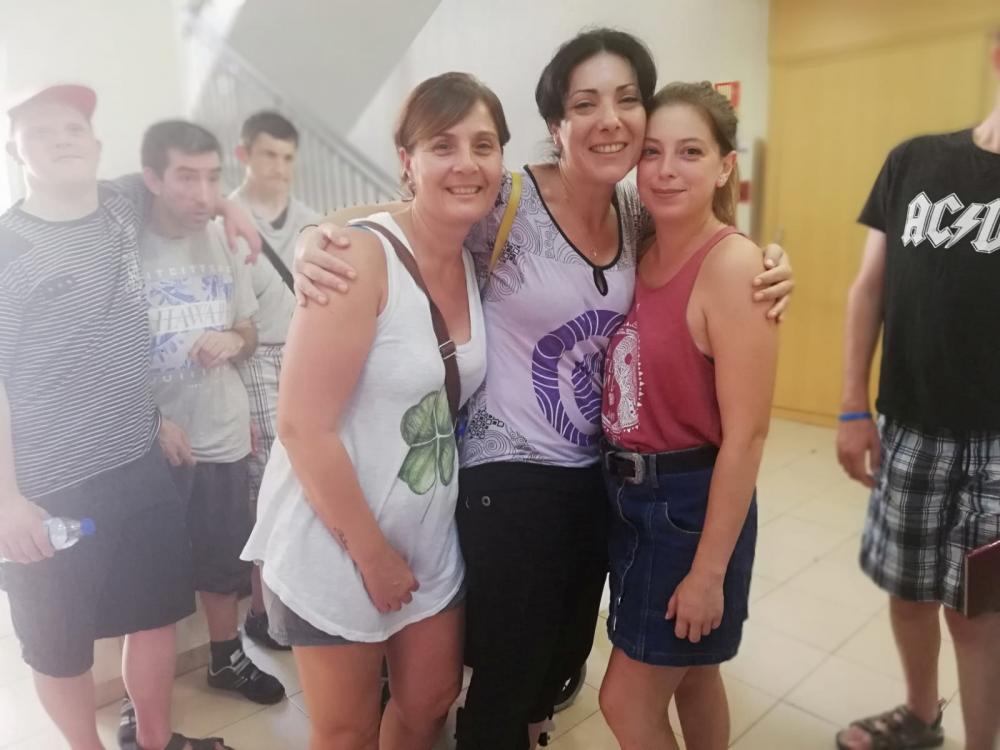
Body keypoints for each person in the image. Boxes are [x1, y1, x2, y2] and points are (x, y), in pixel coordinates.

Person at [293, 28, 794, 750]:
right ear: (557, 123)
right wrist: (315, 237)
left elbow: (710, 248)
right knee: (506, 678)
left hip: (595, 478)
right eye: (584, 103)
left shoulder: (637, 214)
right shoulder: (506, 197)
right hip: (509, 479)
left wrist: (769, 260)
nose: (608, 119)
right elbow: (400, 219)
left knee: (557, 670)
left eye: (626, 100)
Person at [241, 71, 493, 750]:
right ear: (408, 162)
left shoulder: (474, 251)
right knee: (346, 731)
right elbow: (301, 425)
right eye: (443, 145)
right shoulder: (356, 256)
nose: (466, 163)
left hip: (427, 533)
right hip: (336, 536)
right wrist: (372, 554)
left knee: (430, 700)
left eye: (483, 145)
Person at [0, 85, 234, 750]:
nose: (63, 139)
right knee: (59, 645)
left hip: (138, 462)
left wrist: (235, 208)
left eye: (74, 128)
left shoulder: (121, 203)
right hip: (47, 487)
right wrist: (6, 500)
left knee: (155, 615)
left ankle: (154, 743)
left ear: (98, 145)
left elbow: (187, 183)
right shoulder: (5, 248)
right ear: (14, 151)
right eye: (42, 131)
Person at [598, 81, 777, 750]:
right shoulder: (640, 244)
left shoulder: (732, 266)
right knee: (695, 676)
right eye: (652, 152)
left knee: (623, 702)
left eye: (691, 152)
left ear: (726, 166)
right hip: (627, 494)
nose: (667, 169)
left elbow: (747, 437)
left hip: (686, 508)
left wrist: (707, 573)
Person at [834, 29, 1000, 750]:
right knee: (908, 593)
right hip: (911, 430)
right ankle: (921, 717)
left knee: (979, 613)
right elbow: (868, 290)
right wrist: (852, 406)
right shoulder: (916, 161)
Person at [139, 119, 285, 706]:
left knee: (224, 560)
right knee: (150, 577)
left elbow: (248, 328)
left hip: (223, 431)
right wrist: (150, 421)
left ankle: (226, 659)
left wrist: (232, 340)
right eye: (185, 177)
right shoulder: (124, 247)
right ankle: (138, 692)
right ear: (151, 179)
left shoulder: (225, 238)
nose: (203, 194)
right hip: (153, 440)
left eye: (212, 179)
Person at [230, 110, 322, 650]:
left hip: (307, 356)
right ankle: (263, 612)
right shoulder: (225, 220)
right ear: (243, 155)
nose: (280, 167)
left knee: (306, 480)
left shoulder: (310, 219)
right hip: (254, 360)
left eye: (288, 157)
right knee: (265, 485)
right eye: (269, 154)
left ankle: (298, 601)